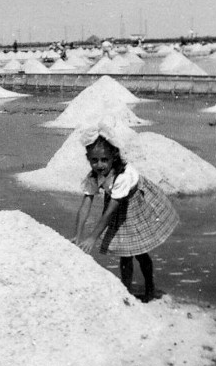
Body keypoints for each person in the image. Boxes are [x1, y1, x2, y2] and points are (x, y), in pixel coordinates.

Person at [72, 128, 180, 302]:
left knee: (140, 251)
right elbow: (86, 204)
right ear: (88, 159)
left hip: (136, 204)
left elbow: (110, 212)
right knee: (125, 253)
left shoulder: (122, 176)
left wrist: (92, 237)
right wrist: (78, 235)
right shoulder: (94, 177)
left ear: (114, 157)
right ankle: (127, 291)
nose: (99, 165)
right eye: (94, 160)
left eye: (104, 160)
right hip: (117, 201)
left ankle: (149, 288)